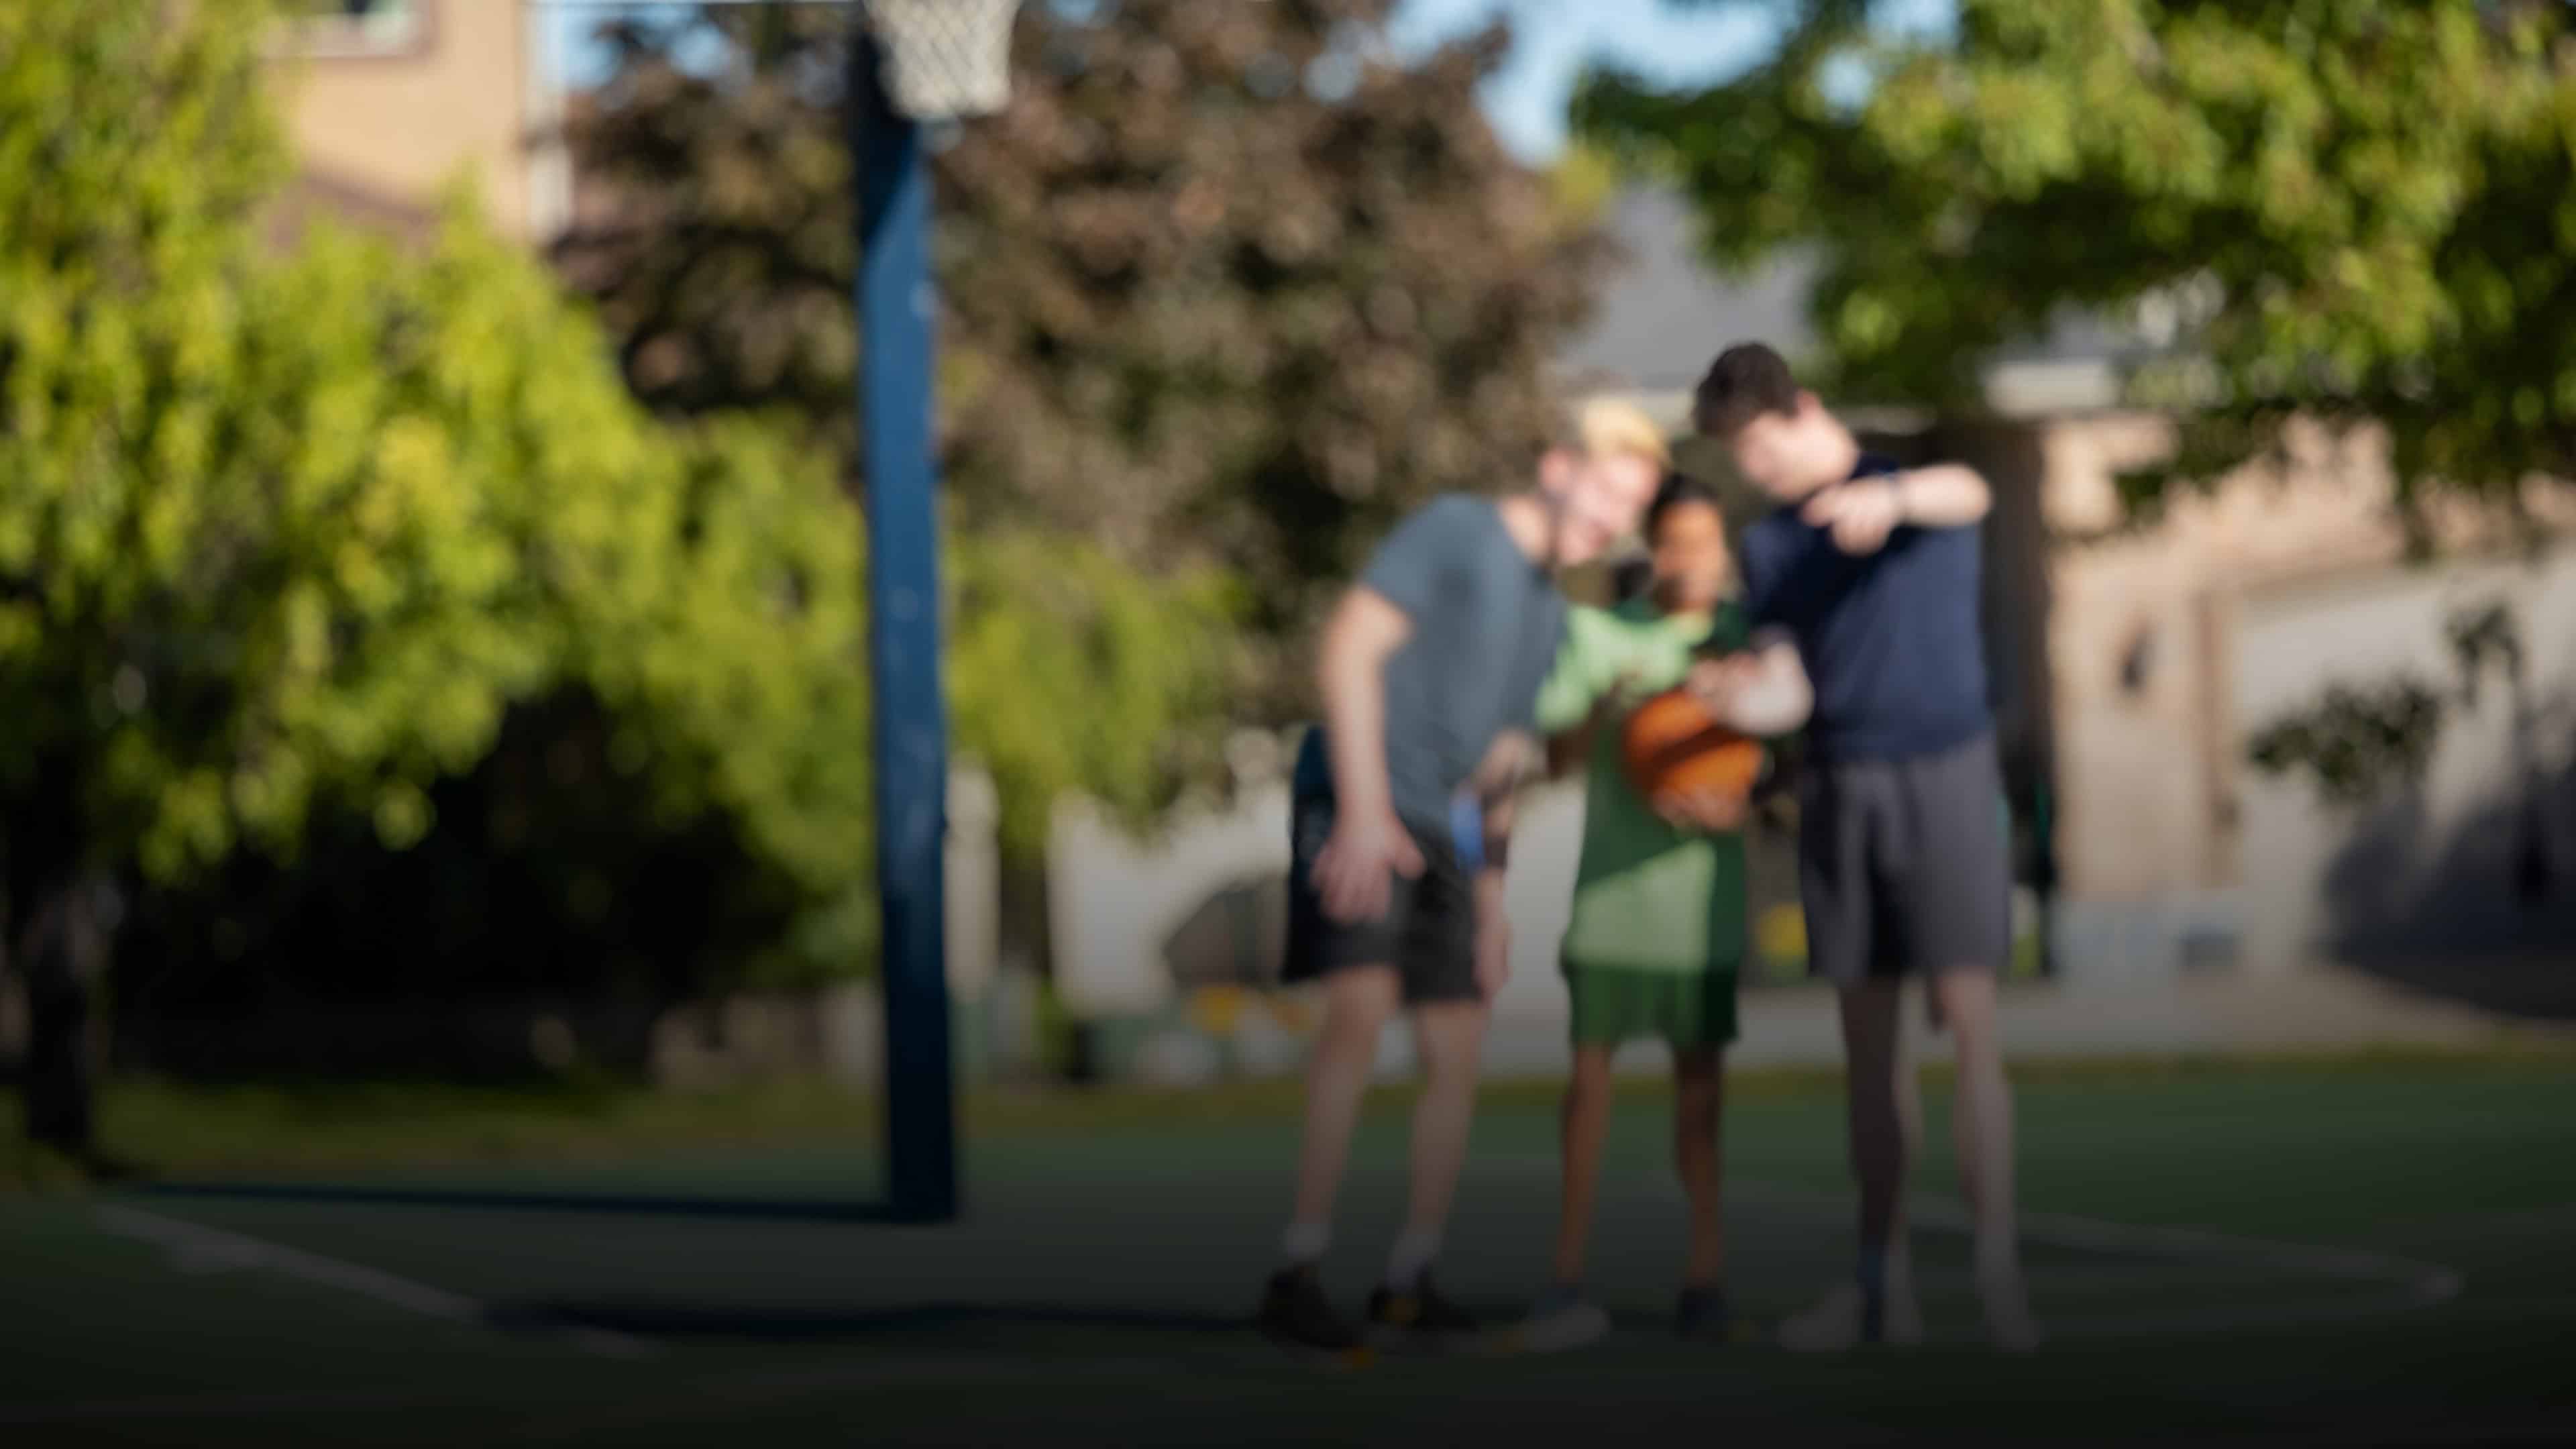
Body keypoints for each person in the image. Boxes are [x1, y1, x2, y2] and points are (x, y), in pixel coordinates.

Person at [1258, 398, 1670, 1357]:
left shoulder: (1549, 608)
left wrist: (1491, 905)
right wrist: (1361, 812)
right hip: (1358, 800)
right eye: (1609, 492)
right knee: (1356, 1020)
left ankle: (1410, 1277)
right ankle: (1300, 1269)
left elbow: (1502, 761)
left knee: (1457, 1043)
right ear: (1559, 466)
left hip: (1442, 828)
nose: (1613, 520)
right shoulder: (1454, 529)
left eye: (1631, 508)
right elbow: (1347, 646)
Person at [1692, 341, 2041, 1352]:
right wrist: (1746, 700)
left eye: (1761, 449)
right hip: (1839, 788)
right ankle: (1882, 1283)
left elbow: (1969, 491)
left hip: (1945, 774)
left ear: (1803, 409)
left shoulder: (1912, 489)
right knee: (1870, 1053)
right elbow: (1788, 679)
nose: (1757, 474)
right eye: (1740, 460)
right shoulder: (1766, 550)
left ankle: (1995, 1274)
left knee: (1969, 1024)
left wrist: (1891, 506)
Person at [1519, 472, 1812, 1352]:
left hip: (1703, 907)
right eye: (1674, 540)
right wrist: (1613, 714)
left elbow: (1785, 758)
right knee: (1590, 1092)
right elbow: (1558, 759)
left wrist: (1748, 795)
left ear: (1724, 548)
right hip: (1611, 900)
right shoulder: (1602, 633)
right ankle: (1566, 1277)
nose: (1690, 557)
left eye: (1705, 540)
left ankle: (1705, 1276)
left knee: (1701, 1098)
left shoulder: (1747, 642)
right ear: (1652, 545)